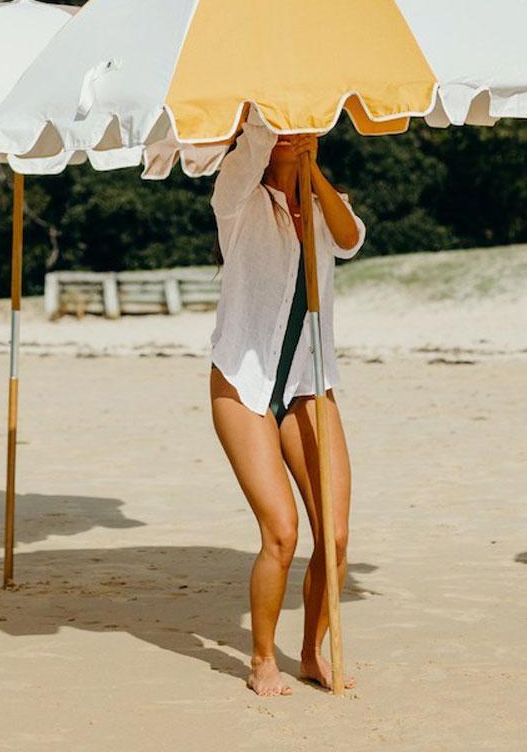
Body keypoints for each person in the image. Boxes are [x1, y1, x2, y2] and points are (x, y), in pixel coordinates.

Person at [209, 109, 365, 696]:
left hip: (308, 380)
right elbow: (250, 146)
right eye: (285, 126)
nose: (297, 132)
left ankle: (309, 652)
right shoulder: (237, 194)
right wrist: (267, 122)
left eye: (308, 123)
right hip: (242, 381)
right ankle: (259, 660)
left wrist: (313, 170)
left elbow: (351, 240)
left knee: (338, 536)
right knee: (282, 531)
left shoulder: (328, 204)